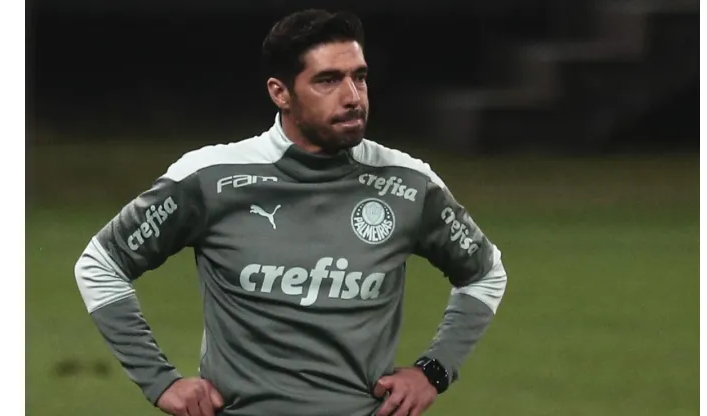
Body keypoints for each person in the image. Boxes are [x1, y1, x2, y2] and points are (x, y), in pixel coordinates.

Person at [74, 9, 507, 416]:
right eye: (328, 81)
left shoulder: (409, 183)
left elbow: (485, 273)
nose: (353, 97)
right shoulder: (209, 179)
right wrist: (159, 381)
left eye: (360, 77)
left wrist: (433, 371)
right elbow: (101, 264)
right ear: (280, 92)